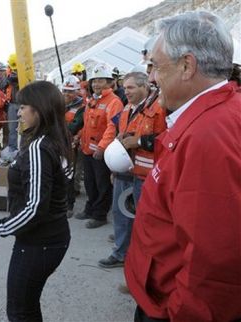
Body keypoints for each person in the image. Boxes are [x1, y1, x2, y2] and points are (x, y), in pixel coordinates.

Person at [125, 11, 241, 321]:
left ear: (187, 66)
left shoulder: (208, 136)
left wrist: (179, 312)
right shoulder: (215, 116)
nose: (151, 78)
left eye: (156, 68)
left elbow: (213, 261)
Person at [0, 81, 72, 321]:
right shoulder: (57, 139)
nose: (20, 112)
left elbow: (35, 207)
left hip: (39, 243)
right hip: (51, 239)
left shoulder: (39, 148)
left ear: (40, 109)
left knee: (20, 310)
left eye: (24, 107)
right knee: (27, 306)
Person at [97, 72, 166, 269]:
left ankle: (142, 261)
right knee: (121, 213)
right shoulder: (127, 109)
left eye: (131, 88)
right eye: (125, 88)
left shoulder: (160, 108)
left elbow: (166, 140)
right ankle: (121, 253)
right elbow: (120, 135)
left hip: (146, 175)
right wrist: (114, 167)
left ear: (145, 87)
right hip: (125, 170)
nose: (126, 92)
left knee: (144, 220)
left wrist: (138, 141)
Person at [75, 63, 124, 228]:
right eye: (94, 81)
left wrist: (102, 147)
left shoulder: (114, 102)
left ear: (110, 82)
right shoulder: (91, 100)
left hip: (101, 152)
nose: (96, 84)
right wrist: (79, 138)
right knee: (90, 182)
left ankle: (100, 215)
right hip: (87, 149)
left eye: (100, 80)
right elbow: (87, 124)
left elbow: (112, 127)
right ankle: (90, 208)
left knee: (102, 184)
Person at [62, 75, 85, 217]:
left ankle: (69, 205)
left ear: (77, 92)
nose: (67, 94)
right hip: (59, 143)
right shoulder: (58, 104)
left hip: (72, 144)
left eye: (70, 91)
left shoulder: (82, 107)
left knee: (69, 175)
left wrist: (77, 138)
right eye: (64, 91)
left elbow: (79, 125)